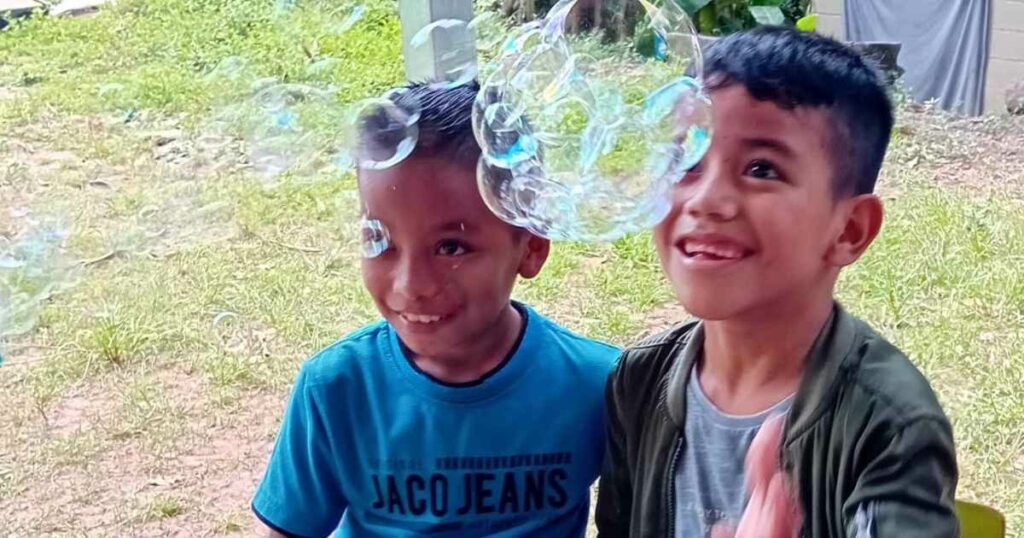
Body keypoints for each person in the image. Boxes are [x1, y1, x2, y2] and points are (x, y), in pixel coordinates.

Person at [596, 26, 958, 538]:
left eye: (762, 169)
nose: (707, 200)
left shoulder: (889, 422)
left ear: (849, 231)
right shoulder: (638, 382)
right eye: (687, 161)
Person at [252, 82, 619, 537]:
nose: (411, 285)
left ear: (532, 246)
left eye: (451, 246)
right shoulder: (337, 388)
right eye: (379, 239)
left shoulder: (598, 385)